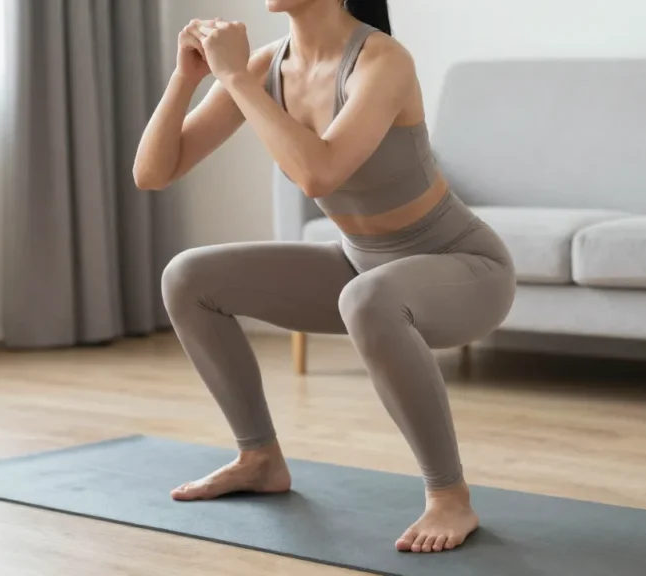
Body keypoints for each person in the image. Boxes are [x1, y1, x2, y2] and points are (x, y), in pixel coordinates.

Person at [133, 0, 515, 554]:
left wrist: (236, 78)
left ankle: (450, 496)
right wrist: (186, 76)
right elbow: (152, 172)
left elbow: (319, 172)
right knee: (188, 277)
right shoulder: (266, 66)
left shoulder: (382, 61)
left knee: (368, 298)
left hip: (465, 268)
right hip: (362, 265)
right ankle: (258, 458)